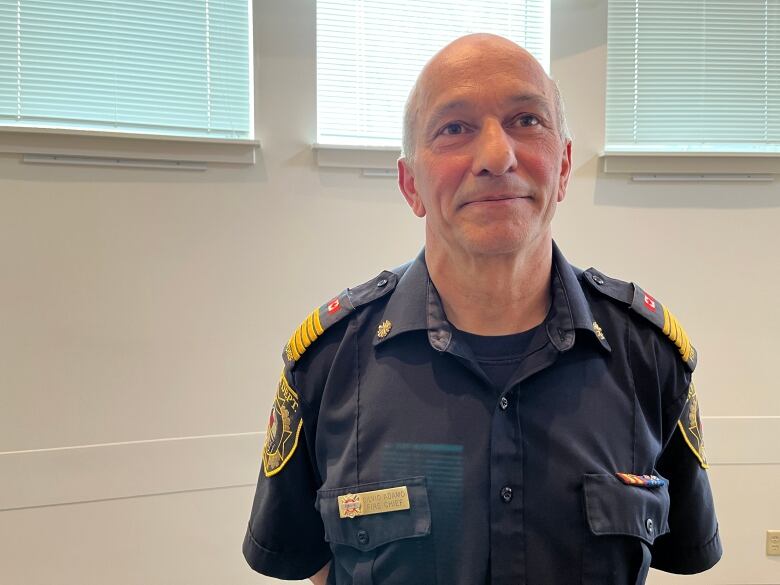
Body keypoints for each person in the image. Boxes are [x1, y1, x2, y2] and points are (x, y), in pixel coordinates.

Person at [243, 33, 721, 585]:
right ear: (410, 184)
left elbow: (679, 554)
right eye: (454, 128)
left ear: (564, 166)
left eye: (526, 120)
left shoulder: (650, 358)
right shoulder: (327, 366)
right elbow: (314, 567)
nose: (497, 156)